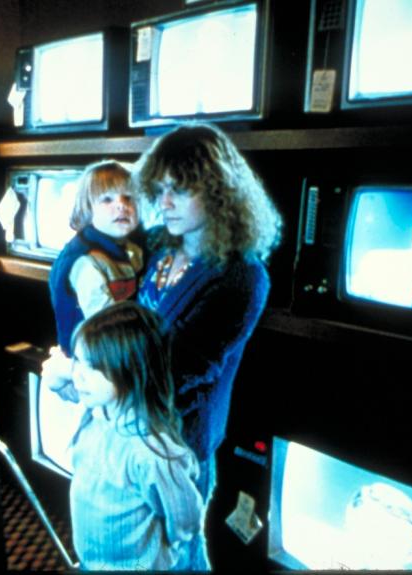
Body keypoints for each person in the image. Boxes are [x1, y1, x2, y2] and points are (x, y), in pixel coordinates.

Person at [134, 122, 282, 504]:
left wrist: (90, 368)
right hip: (137, 427)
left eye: (179, 191)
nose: (164, 203)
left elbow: (176, 369)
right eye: (161, 190)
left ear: (220, 194)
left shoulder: (242, 276)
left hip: (179, 447)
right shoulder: (162, 246)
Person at [66, 301, 207, 571]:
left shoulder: (149, 450)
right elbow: (63, 382)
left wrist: (166, 552)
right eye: (76, 360)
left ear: (131, 370)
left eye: (92, 367)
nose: (77, 376)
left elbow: (186, 517)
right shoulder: (95, 414)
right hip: (94, 562)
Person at [45, 160, 144, 400]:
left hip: (110, 360)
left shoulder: (130, 249)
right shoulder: (86, 262)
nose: (121, 206)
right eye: (107, 200)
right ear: (87, 209)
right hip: (87, 371)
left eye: (128, 198)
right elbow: (106, 325)